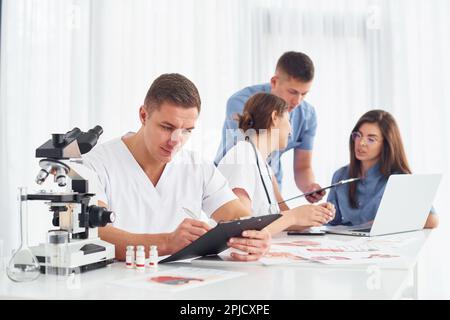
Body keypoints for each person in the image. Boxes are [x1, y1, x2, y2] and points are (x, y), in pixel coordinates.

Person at [83, 73, 271, 262]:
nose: (176, 141)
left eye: (187, 130)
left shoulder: (198, 167)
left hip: (181, 283)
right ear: (143, 115)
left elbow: (239, 218)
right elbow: (94, 233)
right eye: (166, 127)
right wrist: (167, 243)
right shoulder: (96, 164)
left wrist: (256, 237)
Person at [215, 51, 325, 203]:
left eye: (304, 94)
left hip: (270, 187)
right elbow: (252, 154)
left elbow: (302, 166)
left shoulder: (307, 114)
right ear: (274, 82)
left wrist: (310, 187)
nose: (297, 101)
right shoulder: (242, 102)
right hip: (235, 184)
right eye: (292, 92)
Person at [217, 92, 335, 234]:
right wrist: (294, 216)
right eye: (289, 121)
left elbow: (282, 219)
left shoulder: (265, 167)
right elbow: (240, 227)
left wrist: (314, 214)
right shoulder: (242, 156)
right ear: (274, 118)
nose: (291, 130)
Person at [327, 110, 438, 228]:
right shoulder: (340, 175)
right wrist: (324, 213)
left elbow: (432, 220)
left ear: (386, 144)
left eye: (371, 139)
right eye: (358, 135)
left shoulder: (399, 179)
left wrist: (380, 224)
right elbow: (333, 222)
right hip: (345, 244)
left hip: (384, 244)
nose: (361, 143)